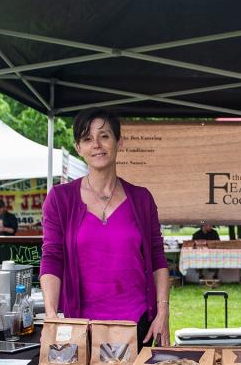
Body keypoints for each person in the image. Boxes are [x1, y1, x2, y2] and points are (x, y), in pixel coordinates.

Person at [40, 107, 170, 347]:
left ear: (119, 142)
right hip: (81, 327)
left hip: (136, 323)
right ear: (78, 148)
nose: (96, 145)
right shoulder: (60, 199)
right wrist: (50, 315)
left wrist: (162, 312)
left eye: (104, 136)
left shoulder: (142, 199)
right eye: (87, 139)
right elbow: (52, 257)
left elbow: (158, 259)